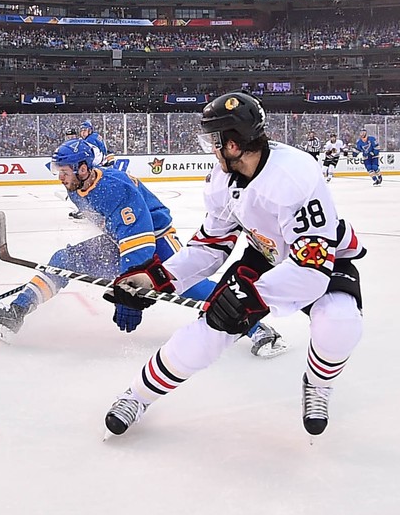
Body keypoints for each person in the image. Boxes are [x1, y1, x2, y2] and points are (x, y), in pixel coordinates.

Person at [101, 92, 365, 438]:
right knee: (211, 330)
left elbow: (311, 272)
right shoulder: (222, 180)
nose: (211, 147)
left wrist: (251, 296)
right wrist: (157, 278)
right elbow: (212, 245)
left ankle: (317, 386)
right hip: (266, 256)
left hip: (321, 258)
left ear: (234, 143)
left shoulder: (295, 175)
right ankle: (137, 396)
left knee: (341, 322)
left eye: (215, 139)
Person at [0, 137, 288, 358]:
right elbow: (116, 234)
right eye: (58, 171)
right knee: (63, 260)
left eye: (64, 171)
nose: (60, 177)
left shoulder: (113, 188)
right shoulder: (77, 187)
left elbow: (137, 243)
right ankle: (16, 312)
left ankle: (257, 327)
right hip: (119, 242)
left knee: (189, 286)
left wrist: (129, 297)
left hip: (157, 241)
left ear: (83, 168)